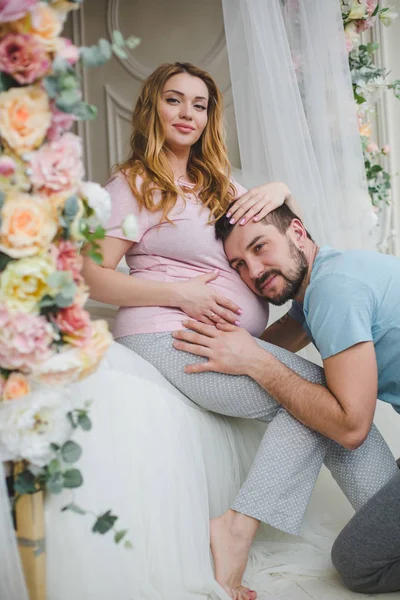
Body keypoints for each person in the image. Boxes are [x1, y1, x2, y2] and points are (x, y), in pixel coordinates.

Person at [82, 62, 398, 600]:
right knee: (318, 399)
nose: (188, 114)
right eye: (174, 100)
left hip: (233, 341)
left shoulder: (222, 187)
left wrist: (281, 187)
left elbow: (289, 238)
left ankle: (385, 523)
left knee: (330, 403)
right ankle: (238, 528)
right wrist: (183, 295)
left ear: (211, 117)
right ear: (151, 108)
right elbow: (88, 274)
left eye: (200, 104)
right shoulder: (135, 184)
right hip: (174, 334)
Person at [172, 202, 400, 594]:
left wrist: (255, 361)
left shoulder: (334, 288)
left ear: (297, 232)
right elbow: (265, 347)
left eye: (260, 248)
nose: (254, 272)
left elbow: (351, 426)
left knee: (357, 561)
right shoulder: (319, 286)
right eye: (239, 265)